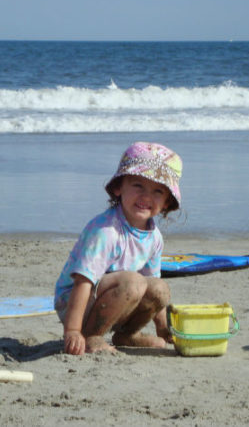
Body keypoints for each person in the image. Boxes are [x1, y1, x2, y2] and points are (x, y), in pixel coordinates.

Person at [54, 142, 183, 355]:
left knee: (159, 288)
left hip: (119, 300)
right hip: (77, 303)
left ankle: (127, 335)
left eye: (157, 191)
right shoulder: (106, 230)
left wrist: (163, 328)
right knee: (133, 282)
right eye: (138, 186)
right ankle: (91, 335)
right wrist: (73, 330)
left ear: (167, 202)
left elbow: (152, 283)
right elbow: (83, 281)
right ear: (118, 188)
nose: (146, 197)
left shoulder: (154, 237)